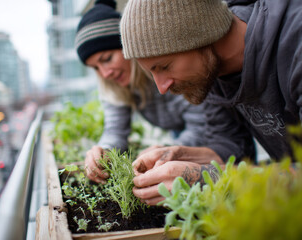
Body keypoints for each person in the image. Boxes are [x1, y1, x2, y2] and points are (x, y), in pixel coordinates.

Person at [120, 0, 302, 205]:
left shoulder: (296, 44)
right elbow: (231, 146)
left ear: (201, 35)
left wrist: (210, 180)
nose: (162, 88)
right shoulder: (211, 69)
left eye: (164, 66)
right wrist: (181, 156)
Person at [75, 0, 209, 183]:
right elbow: (116, 130)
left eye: (106, 59)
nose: (105, 73)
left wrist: (166, 150)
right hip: (181, 140)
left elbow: (203, 129)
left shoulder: (170, 72)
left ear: (128, 47)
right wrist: (103, 151)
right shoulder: (116, 85)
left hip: (216, 151)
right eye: (96, 68)